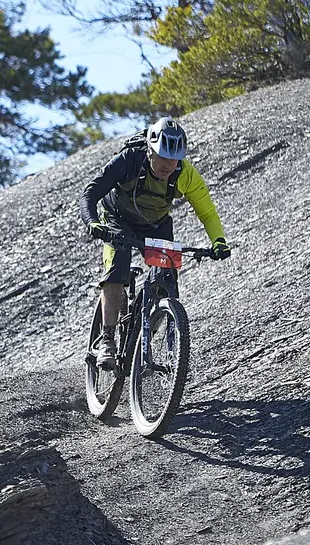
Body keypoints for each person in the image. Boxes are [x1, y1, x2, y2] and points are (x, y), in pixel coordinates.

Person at [79, 116, 231, 367]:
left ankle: (161, 335)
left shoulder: (185, 173)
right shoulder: (129, 161)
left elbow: (207, 213)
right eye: (163, 156)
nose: (169, 164)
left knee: (167, 281)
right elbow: (90, 194)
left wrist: (218, 241)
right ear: (150, 151)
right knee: (117, 270)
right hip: (118, 219)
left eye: (174, 158)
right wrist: (93, 223)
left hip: (156, 225)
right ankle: (107, 339)